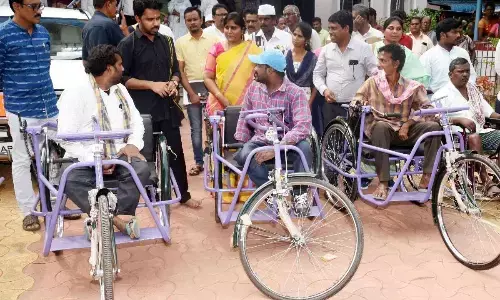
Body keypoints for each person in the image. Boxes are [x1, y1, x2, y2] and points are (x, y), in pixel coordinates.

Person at [0, 0, 81, 231]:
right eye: (33, 5)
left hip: (49, 107)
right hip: (21, 110)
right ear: (16, 6)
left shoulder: (43, 33)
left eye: (40, 5)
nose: (39, 10)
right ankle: (29, 212)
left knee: (58, 155)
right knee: (23, 160)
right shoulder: (3, 36)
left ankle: (57, 202)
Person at [58, 45, 148, 239]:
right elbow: (66, 137)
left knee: (141, 170)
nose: (123, 69)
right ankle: (116, 221)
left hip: (120, 153)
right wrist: (95, 158)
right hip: (84, 156)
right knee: (70, 180)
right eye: (120, 65)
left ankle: (109, 218)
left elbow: (137, 121)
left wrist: (133, 143)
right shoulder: (76, 92)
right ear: (109, 69)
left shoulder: (120, 90)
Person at [118, 0, 200, 208]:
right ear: (137, 19)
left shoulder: (166, 41)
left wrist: (173, 82)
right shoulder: (127, 45)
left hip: (167, 108)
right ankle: (150, 198)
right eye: (150, 19)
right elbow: (123, 79)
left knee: (176, 153)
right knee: (145, 158)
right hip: (142, 113)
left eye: (158, 18)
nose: (156, 23)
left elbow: (175, 70)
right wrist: (151, 85)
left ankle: (184, 195)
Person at [352, 43, 440, 200]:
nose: (379, 64)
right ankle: (383, 183)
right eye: (379, 60)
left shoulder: (411, 86)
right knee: (380, 126)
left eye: (384, 61)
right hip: (381, 131)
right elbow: (357, 98)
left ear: (396, 63)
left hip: (405, 131)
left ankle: (426, 177)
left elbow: (426, 108)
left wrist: (408, 124)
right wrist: (361, 103)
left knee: (433, 126)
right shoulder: (373, 82)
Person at [234, 50, 312, 187]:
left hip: (287, 143)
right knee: (245, 153)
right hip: (261, 141)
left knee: (305, 148)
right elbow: (244, 116)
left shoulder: (295, 92)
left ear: (270, 70)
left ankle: (300, 195)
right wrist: (241, 143)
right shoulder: (253, 89)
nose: (255, 69)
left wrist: (276, 149)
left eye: (258, 66)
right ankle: (271, 193)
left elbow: (303, 126)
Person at [313, 10, 378, 125]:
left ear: (346, 28)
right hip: (330, 106)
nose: (330, 32)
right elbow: (317, 74)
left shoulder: (363, 48)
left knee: (354, 141)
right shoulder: (326, 50)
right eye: (329, 28)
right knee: (331, 140)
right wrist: (324, 90)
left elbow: (375, 74)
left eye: (334, 28)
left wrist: (368, 95)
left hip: (354, 108)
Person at [176, 7, 218, 176]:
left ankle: (215, 161)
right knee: (196, 129)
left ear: (201, 20)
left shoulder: (214, 39)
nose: (192, 22)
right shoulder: (180, 42)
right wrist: (191, 93)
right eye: (189, 20)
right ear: (185, 22)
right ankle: (199, 162)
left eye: (195, 19)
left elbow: (219, 65)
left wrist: (214, 91)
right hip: (191, 87)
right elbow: (180, 71)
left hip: (212, 87)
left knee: (213, 127)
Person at [433, 58, 500, 158]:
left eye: (467, 71)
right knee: (474, 137)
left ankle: (497, 172)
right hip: (458, 136)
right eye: (460, 71)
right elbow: (435, 118)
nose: (465, 74)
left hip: (480, 132)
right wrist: (458, 119)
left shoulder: (473, 91)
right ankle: (483, 173)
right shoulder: (441, 95)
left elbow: (490, 113)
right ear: (450, 74)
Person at [204, 12, 262, 115]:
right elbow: (208, 77)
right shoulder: (217, 49)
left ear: (242, 30)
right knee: (221, 131)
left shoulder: (252, 49)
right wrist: (222, 99)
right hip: (219, 103)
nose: (229, 31)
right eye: (227, 27)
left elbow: (261, 75)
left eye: (234, 28)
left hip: (247, 104)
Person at [420, 18, 477, 93]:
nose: (458, 35)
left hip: (462, 100)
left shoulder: (463, 52)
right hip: (438, 101)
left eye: (458, 32)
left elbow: (472, 76)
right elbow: (424, 85)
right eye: (454, 32)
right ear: (443, 35)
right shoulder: (428, 57)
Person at [372, 17, 430, 87]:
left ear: (402, 33)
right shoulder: (373, 47)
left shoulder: (407, 53)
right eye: (391, 28)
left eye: (399, 29)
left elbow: (419, 78)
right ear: (384, 31)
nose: (395, 31)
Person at [286, 22, 317, 107]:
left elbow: (315, 83)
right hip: (287, 97)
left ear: (306, 39)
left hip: (305, 98)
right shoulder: (286, 55)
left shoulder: (312, 58)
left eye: (300, 36)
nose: (296, 38)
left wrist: (310, 103)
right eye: (294, 34)